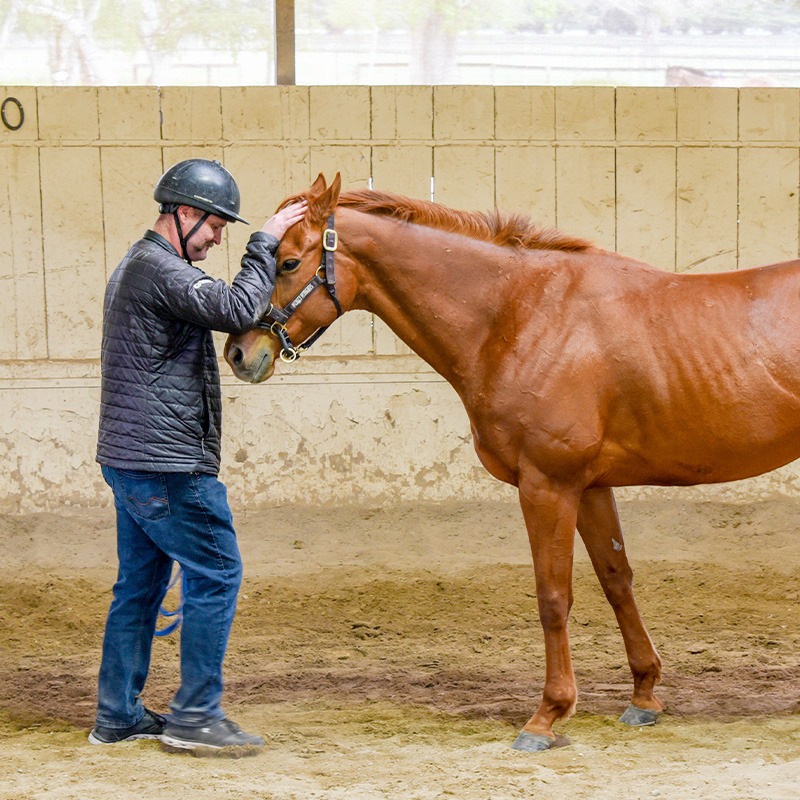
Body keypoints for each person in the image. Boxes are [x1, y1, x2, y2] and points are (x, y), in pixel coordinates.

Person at [90, 158, 306, 754]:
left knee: (139, 586)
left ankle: (118, 714)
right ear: (185, 213)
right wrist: (264, 242)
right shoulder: (160, 270)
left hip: (132, 458)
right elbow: (238, 309)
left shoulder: (140, 267)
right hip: (167, 465)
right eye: (215, 226)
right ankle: (195, 714)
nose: (218, 238)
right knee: (217, 571)